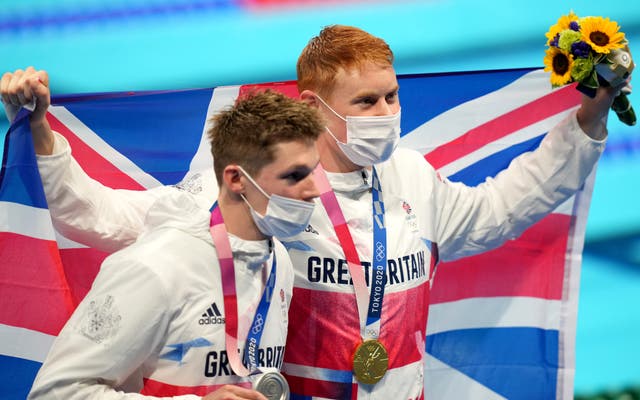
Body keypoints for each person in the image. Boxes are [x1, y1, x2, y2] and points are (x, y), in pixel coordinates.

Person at [1, 25, 630, 399]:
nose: (386, 114)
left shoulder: (409, 174)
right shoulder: (261, 185)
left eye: (392, 97)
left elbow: (499, 210)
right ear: (314, 104)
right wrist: (41, 137)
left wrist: (589, 119)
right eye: (366, 100)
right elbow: (107, 220)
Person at [24, 90, 324, 399]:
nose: (315, 190)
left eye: (313, 171)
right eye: (295, 175)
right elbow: (55, 392)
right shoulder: (155, 266)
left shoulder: (279, 261)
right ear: (236, 179)